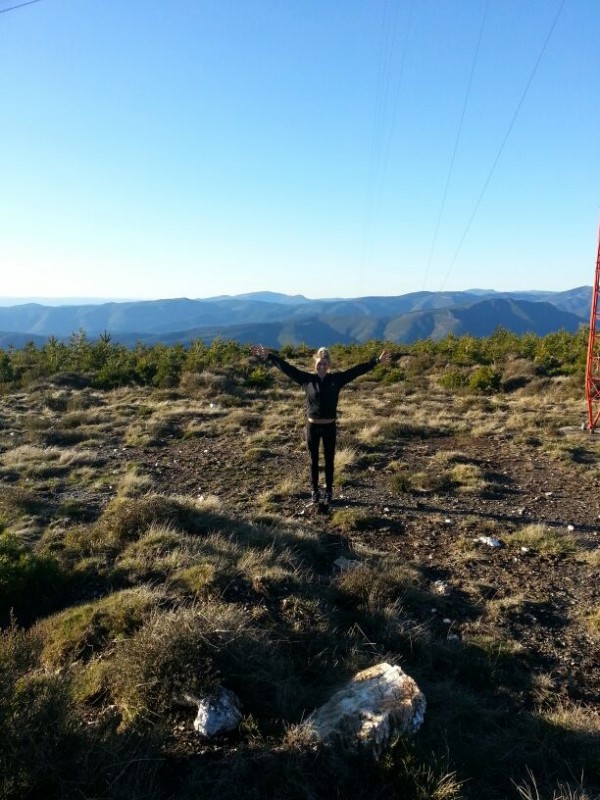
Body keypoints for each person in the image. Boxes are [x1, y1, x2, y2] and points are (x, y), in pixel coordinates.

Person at [250, 343, 392, 505]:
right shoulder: (307, 380)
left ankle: (329, 491)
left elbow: (356, 371)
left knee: (330, 460)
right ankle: (315, 492)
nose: (322, 366)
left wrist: (376, 361)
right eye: (319, 363)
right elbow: (288, 368)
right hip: (312, 427)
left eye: (324, 363)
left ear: (329, 365)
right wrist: (270, 357)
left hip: (329, 426)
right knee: (314, 460)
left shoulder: (337, 379)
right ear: (315, 364)